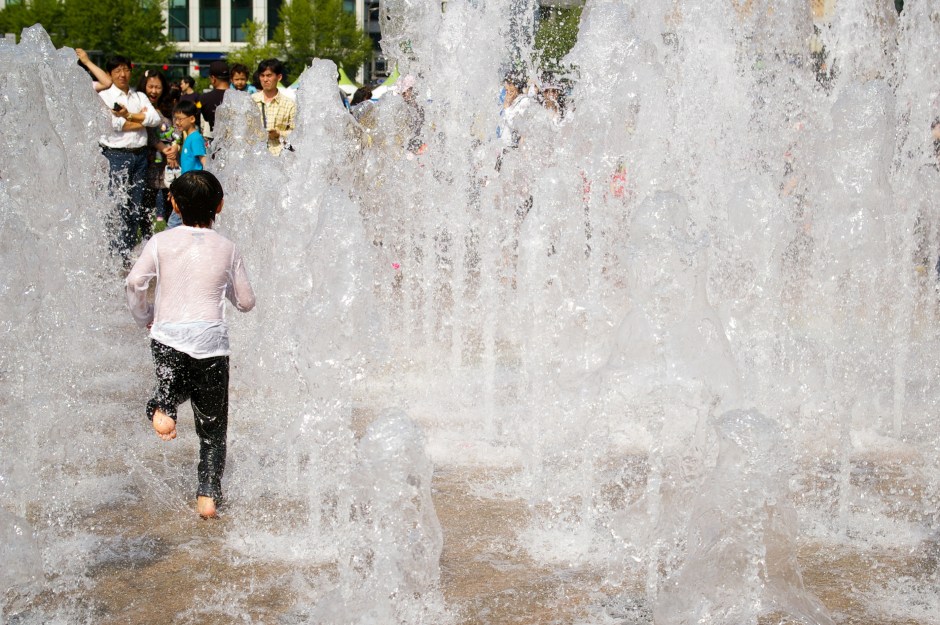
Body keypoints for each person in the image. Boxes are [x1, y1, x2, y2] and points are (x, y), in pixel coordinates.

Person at [125, 170, 256, 519]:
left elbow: (136, 281)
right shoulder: (227, 248)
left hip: (167, 338)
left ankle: (162, 406)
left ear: (173, 204)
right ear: (221, 205)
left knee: (175, 383)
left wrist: (145, 316)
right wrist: (226, 290)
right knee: (212, 426)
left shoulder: (160, 242)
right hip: (211, 344)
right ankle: (208, 496)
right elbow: (245, 301)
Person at [98, 55, 162, 265]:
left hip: (140, 155)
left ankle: (126, 254)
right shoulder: (105, 96)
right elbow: (114, 125)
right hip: (116, 155)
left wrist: (129, 117)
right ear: (109, 74)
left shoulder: (139, 96)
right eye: (117, 71)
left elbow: (155, 119)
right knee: (117, 206)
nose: (122, 74)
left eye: (125, 70)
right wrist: (139, 120)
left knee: (135, 206)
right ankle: (114, 253)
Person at [166, 100, 206, 228]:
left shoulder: (195, 138)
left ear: (192, 118)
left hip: (192, 188)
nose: (177, 122)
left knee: (174, 223)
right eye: (175, 119)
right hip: (186, 187)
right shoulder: (188, 137)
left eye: (180, 119)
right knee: (185, 223)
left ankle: (166, 246)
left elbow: (204, 162)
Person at [251, 59, 296, 155]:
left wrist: (279, 134)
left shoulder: (289, 104)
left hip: (278, 155)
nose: (265, 79)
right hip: (254, 155)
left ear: (279, 77)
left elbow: (296, 133)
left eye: (269, 75)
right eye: (262, 76)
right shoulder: (251, 100)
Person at [199, 60, 231, 139]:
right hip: (236, 146)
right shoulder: (240, 97)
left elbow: (204, 117)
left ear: (213, 78)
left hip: (215, 143)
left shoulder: (204, 98)